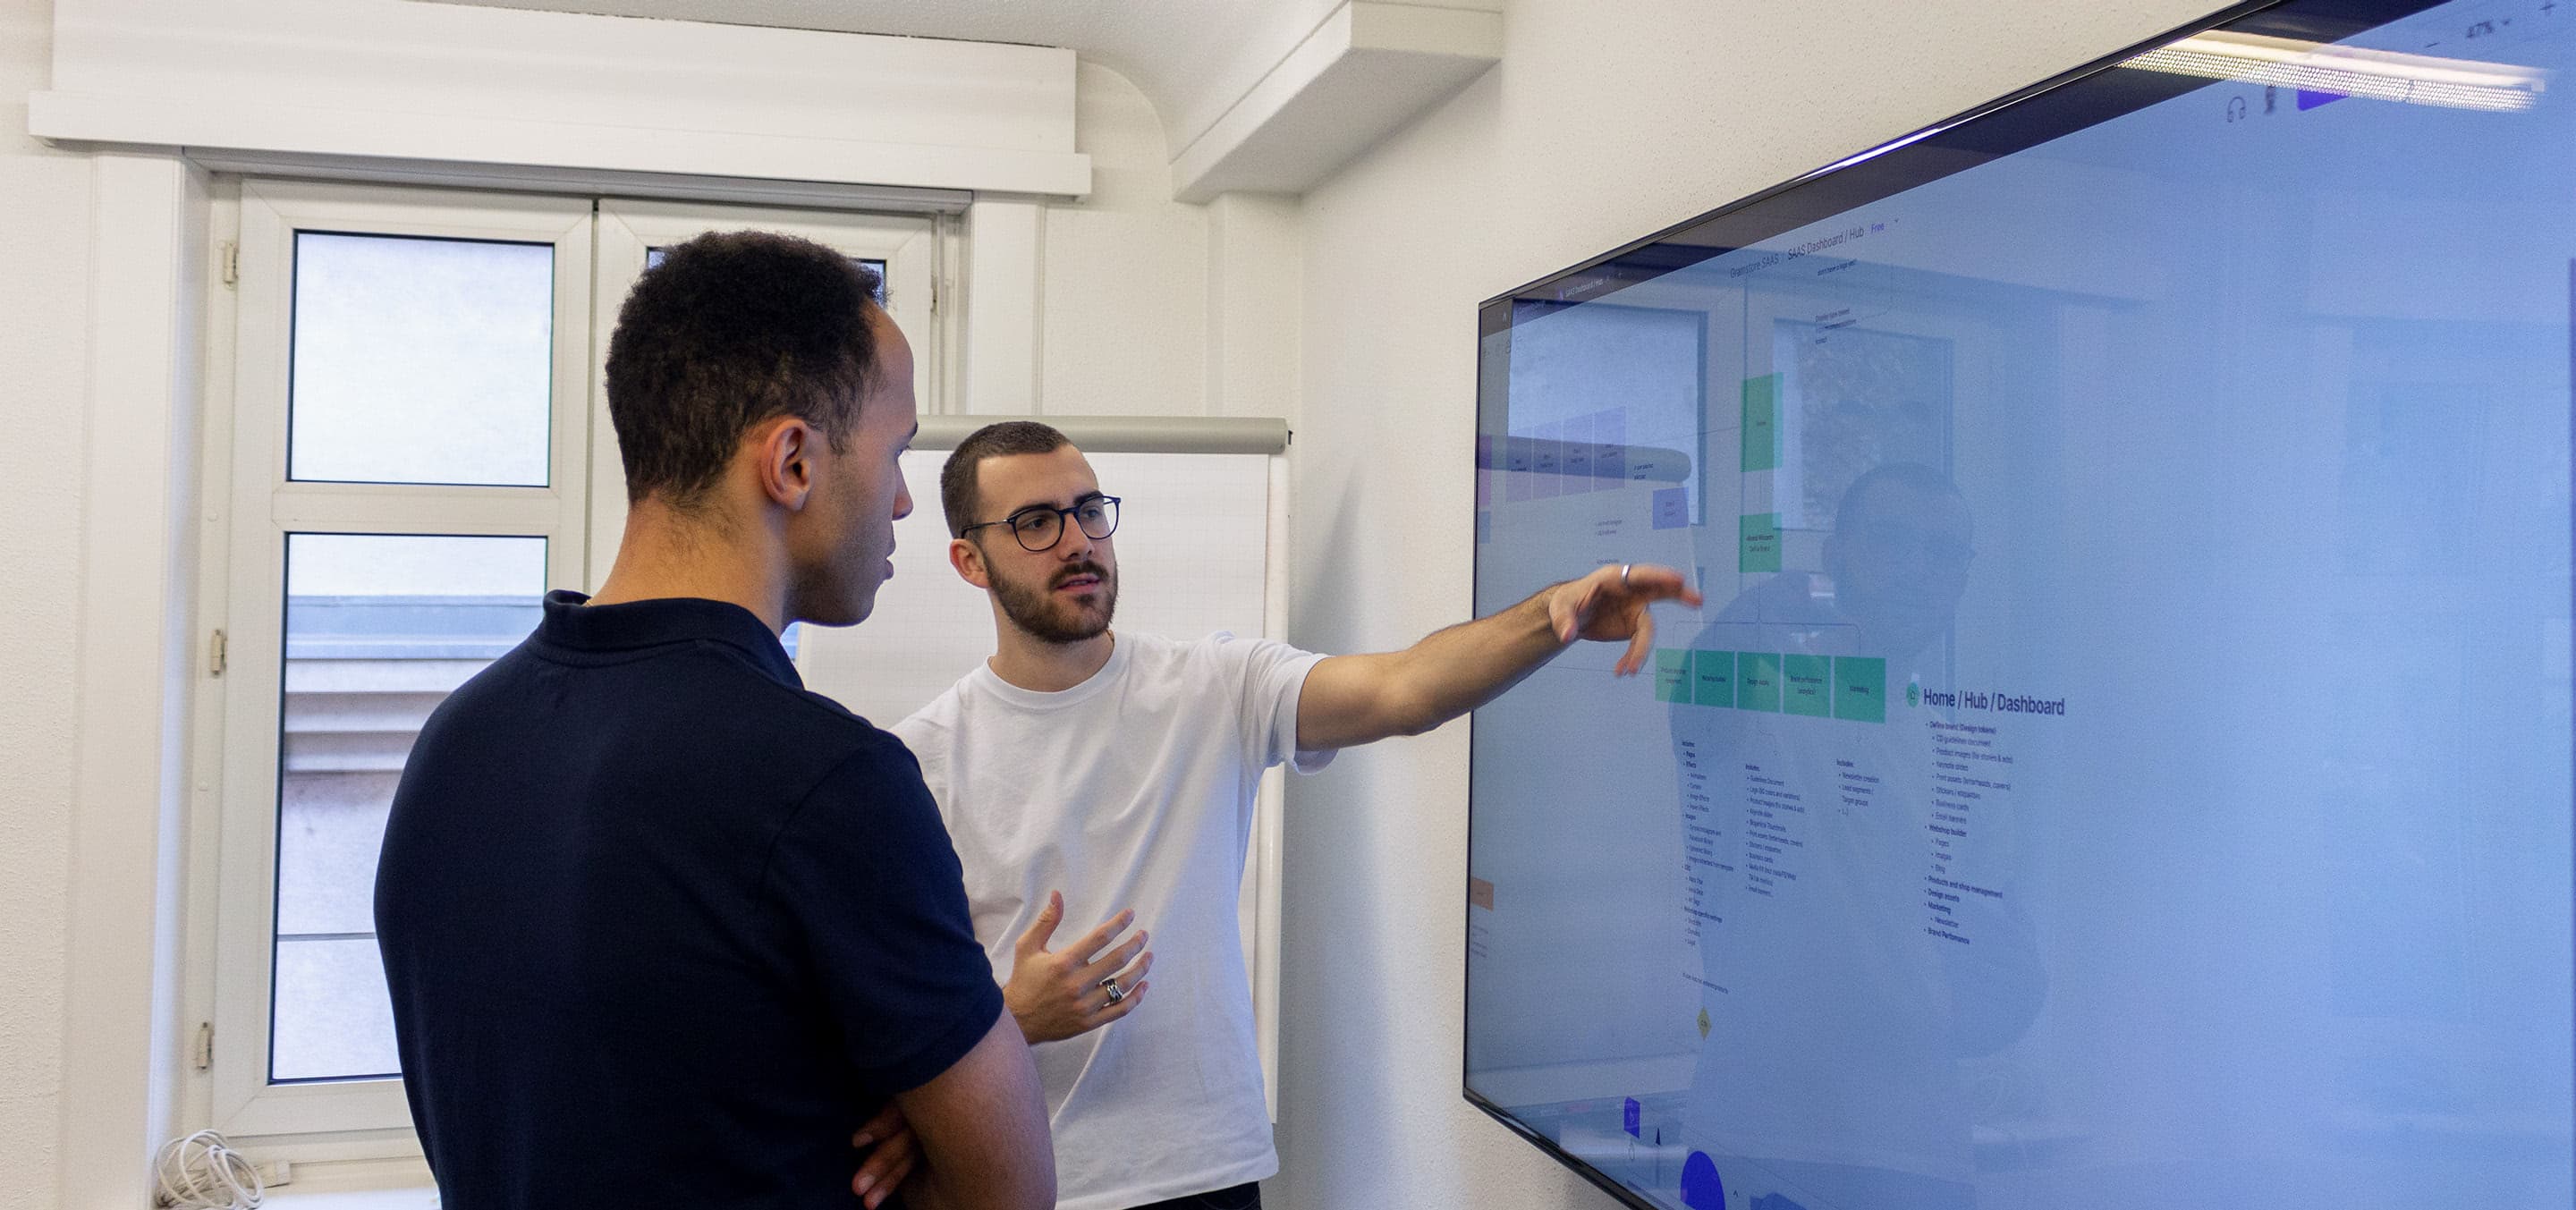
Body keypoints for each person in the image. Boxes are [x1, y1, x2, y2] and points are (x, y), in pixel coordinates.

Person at [374, 233, 1053, 1210]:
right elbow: (1011, 1196)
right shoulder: (825, 778)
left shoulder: (459, 741)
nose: (906, 501)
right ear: (791, 460)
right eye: (896, 452)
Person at [891, 419, 1700, 1210]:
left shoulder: (1212, 683)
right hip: (1031, 1181)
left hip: (1205, 1173)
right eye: (1036, 522)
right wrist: (1012, 1018)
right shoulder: (920, 762)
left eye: (1090, 510)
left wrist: (1551, 615)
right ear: (970, 560)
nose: (1078, 541)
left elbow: (1404, 688)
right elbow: (893, 1016)